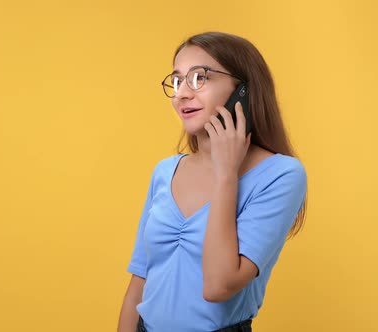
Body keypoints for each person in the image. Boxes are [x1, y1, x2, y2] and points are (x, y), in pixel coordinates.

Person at [116, 32, 308, 332]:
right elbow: (138, 283)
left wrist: (226, 173)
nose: (181, 94)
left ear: (242, 90)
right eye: (178, 81)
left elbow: (218, 286)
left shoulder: (282, 175)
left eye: (199, 78)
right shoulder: (166, 171)